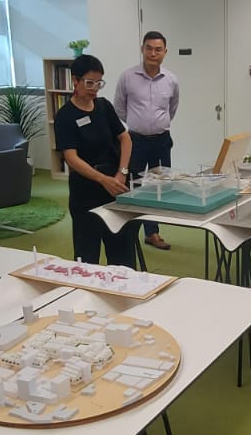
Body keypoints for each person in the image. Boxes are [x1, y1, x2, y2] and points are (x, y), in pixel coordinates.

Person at [55, 55, 136, 267]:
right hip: (86, 190)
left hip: (115, 185)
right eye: (89, 83)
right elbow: (71, 158)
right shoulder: (65, 116)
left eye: (99, 83)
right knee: (87, 256)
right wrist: (102, 179)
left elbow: (125, 138)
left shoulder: (104, 106)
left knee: (122, 254)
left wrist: (122, 172)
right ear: (75, 80)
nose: (94, 89)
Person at [113, 31, 179, 251]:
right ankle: (129, 231)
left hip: (162, 141)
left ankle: (152, 232)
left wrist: (158, 124)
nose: (153, 53)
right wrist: (138, 123)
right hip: (135, 141)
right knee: (134, 185)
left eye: (158, 49)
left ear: (165, 52)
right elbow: (119, 107)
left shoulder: (171, 80)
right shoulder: (127, 77)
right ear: (142, 49)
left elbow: (172, 108)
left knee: (159, 186)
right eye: (149, 48)